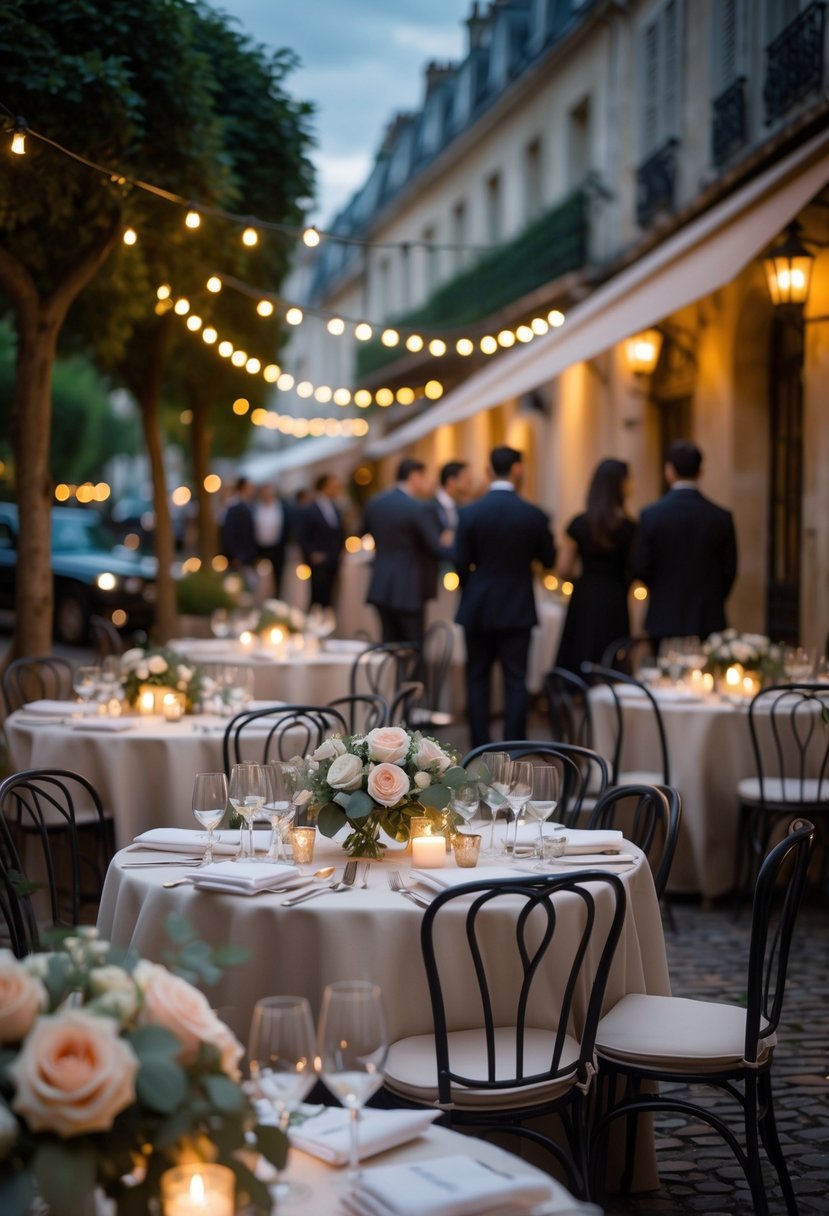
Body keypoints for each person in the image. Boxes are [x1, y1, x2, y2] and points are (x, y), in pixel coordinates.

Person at [454, 446, 556, 748]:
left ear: (488, 471)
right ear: (518, 470)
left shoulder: (470, 512)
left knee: (477, 678)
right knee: (515, 680)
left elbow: (460, 562)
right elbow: (548, 558)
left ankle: (480, 745)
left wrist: (472, 589)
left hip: (479, 604)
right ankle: (514, 746)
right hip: (517, 605)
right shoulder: (534, 514)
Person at [631, 439, 738, 644]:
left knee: (663, 675)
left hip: (663, 617)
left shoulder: (651, 515)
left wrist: (662, 589)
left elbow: (640, 566)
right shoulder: (720, 517)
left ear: (669, 471)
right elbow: (729, 570)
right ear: (700, 472)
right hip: (708, 617)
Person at [555, 458, 636, 673]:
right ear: (620, 485)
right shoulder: (629, 527)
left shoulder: (579, 524)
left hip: (585, 595)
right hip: (615, 597)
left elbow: (563, 569)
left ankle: (580, 700)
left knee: (580, 653)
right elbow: (636, 567)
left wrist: (581, 578)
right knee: (612, 660)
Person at [362, 457, 449, 646]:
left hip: (381, 583)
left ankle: (390, 677)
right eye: (424, 477)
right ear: (414, 476)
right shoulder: (418, 507)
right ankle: (412, 677)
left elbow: (363, 533)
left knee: (388, 644)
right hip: (410, 586)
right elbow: (436, 546)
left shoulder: (376, 503)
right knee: (413, 646)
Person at [296, 473, 345, 609]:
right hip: (318, 561)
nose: (336, 490)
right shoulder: (309, 509)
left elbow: (339, 533)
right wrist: (311, 554)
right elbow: (302, 535)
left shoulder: (336, 508)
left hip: (333, 560)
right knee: (317, 597)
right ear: (324, 487)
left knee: (331, 598)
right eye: (333, 487)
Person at [220, 476, 258, 591]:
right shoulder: (234, 507)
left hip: (249, 556)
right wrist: (236, 555)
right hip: (239, 557)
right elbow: (229, 533)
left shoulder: (251, 505)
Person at [253, 483, 290, 596]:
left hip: (277, 547)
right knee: (260, 577)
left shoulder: (282, 507)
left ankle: (277, 597)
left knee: (278, 575)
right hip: (260, 548)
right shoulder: (256, 508)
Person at [433, 460, 473, 532]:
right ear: (451, 481)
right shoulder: (431, 508)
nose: (469, 480)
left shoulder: (459, 505)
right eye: (465, 477)